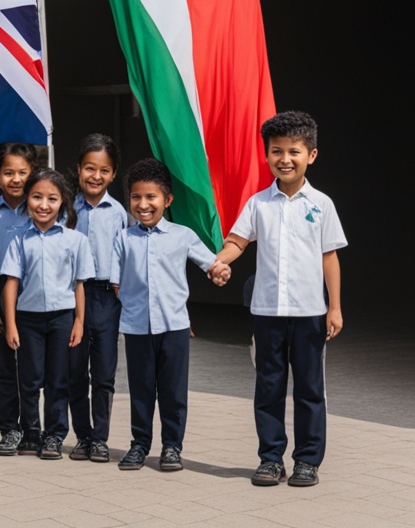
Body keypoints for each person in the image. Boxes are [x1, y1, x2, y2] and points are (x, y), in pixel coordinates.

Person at [214, 111, 346, 488]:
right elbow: (238, 240)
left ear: (311, 155)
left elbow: (329, 257)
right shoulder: (259, 203)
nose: (284, 159)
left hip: (310, 314)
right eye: (276, 151)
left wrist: (334, 307)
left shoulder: (321, 204)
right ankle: (271, 459)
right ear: (267, 155)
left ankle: (307, 460)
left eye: (293, 151)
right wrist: (220, 261)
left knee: (309, 390)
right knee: (268, 388)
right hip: (267, 312)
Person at [112, 158, 229, 472]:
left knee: (173, 391)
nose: (143, 204)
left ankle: (172, 448)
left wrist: (220, 271)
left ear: (167, 200)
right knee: (140, 389)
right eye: (136, 197)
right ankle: (139, 445)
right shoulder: (124, 238)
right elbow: (115, 282)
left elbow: (211, 264)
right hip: (137, 328)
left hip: (174, 326)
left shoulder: (183, 235)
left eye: (151, 197)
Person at [2, 169, 95, 459]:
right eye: (37, 197)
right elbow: (11, 283)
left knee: (58, 380)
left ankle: (54, 435)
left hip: (62, 319)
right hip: (27, 320)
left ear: (63, 202)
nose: (44, 205)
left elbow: (80, 284)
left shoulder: (75, 240)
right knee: (29, 379)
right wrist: (11, 324)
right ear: (27, 199)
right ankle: (31, 433)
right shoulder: (18, 238)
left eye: (52, 199)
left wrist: (79, 321)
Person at [69, 134, 126, 463]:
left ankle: (100, 437)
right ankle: (82, 436)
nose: (96, 176)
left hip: (106, 297)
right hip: (73, 296)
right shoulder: (66, 207)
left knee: (104, 373)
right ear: (78, 169)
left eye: (104, 170)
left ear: (113, 174)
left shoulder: (119, 213)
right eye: (90, 168)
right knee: (75, 371)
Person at [0, 143, 38, 455]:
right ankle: (9, 429)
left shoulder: (43, 208)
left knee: (32, 371)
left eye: (22, 172)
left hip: (35, 294)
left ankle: (33, 430)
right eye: (8, 173)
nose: (15, 179)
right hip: (3, 292)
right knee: (5, 369)